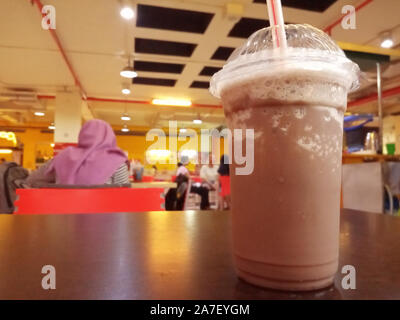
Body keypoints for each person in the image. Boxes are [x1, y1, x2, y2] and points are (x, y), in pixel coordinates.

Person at [26, 119, 130, 186]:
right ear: (110, 137)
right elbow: (125, 197)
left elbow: (31, 180)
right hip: (103, 218)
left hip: (61, 217)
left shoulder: (63, 157)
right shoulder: (117, 162)